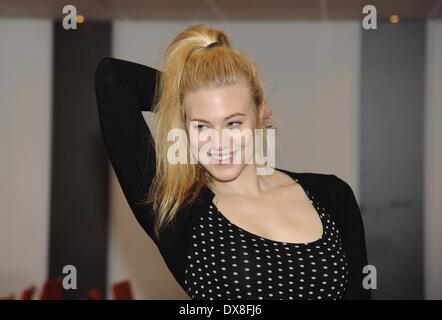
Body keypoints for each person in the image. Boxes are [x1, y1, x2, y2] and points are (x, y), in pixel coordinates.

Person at [94, 24, 370, 300]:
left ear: (262, 116)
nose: (219, 143)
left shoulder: (332, 195)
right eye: (202, 126)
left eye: (233, 123)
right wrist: (188, 88)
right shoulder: (179, 210)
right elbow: (113, 78)